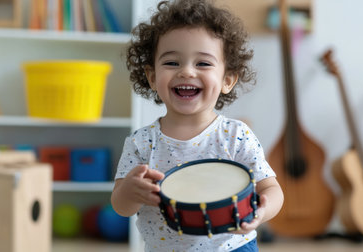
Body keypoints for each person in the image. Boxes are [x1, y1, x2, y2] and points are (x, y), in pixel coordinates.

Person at [111, 0, 283, 251]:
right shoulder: (141, 143)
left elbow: (271, 188)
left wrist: (262, 211)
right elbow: (120, 206)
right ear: (151, 77)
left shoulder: (237, 135)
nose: (187, 72)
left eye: (202, 63)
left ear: (227, 80)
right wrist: (129, 191)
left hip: (233, 247)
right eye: (172, 63)